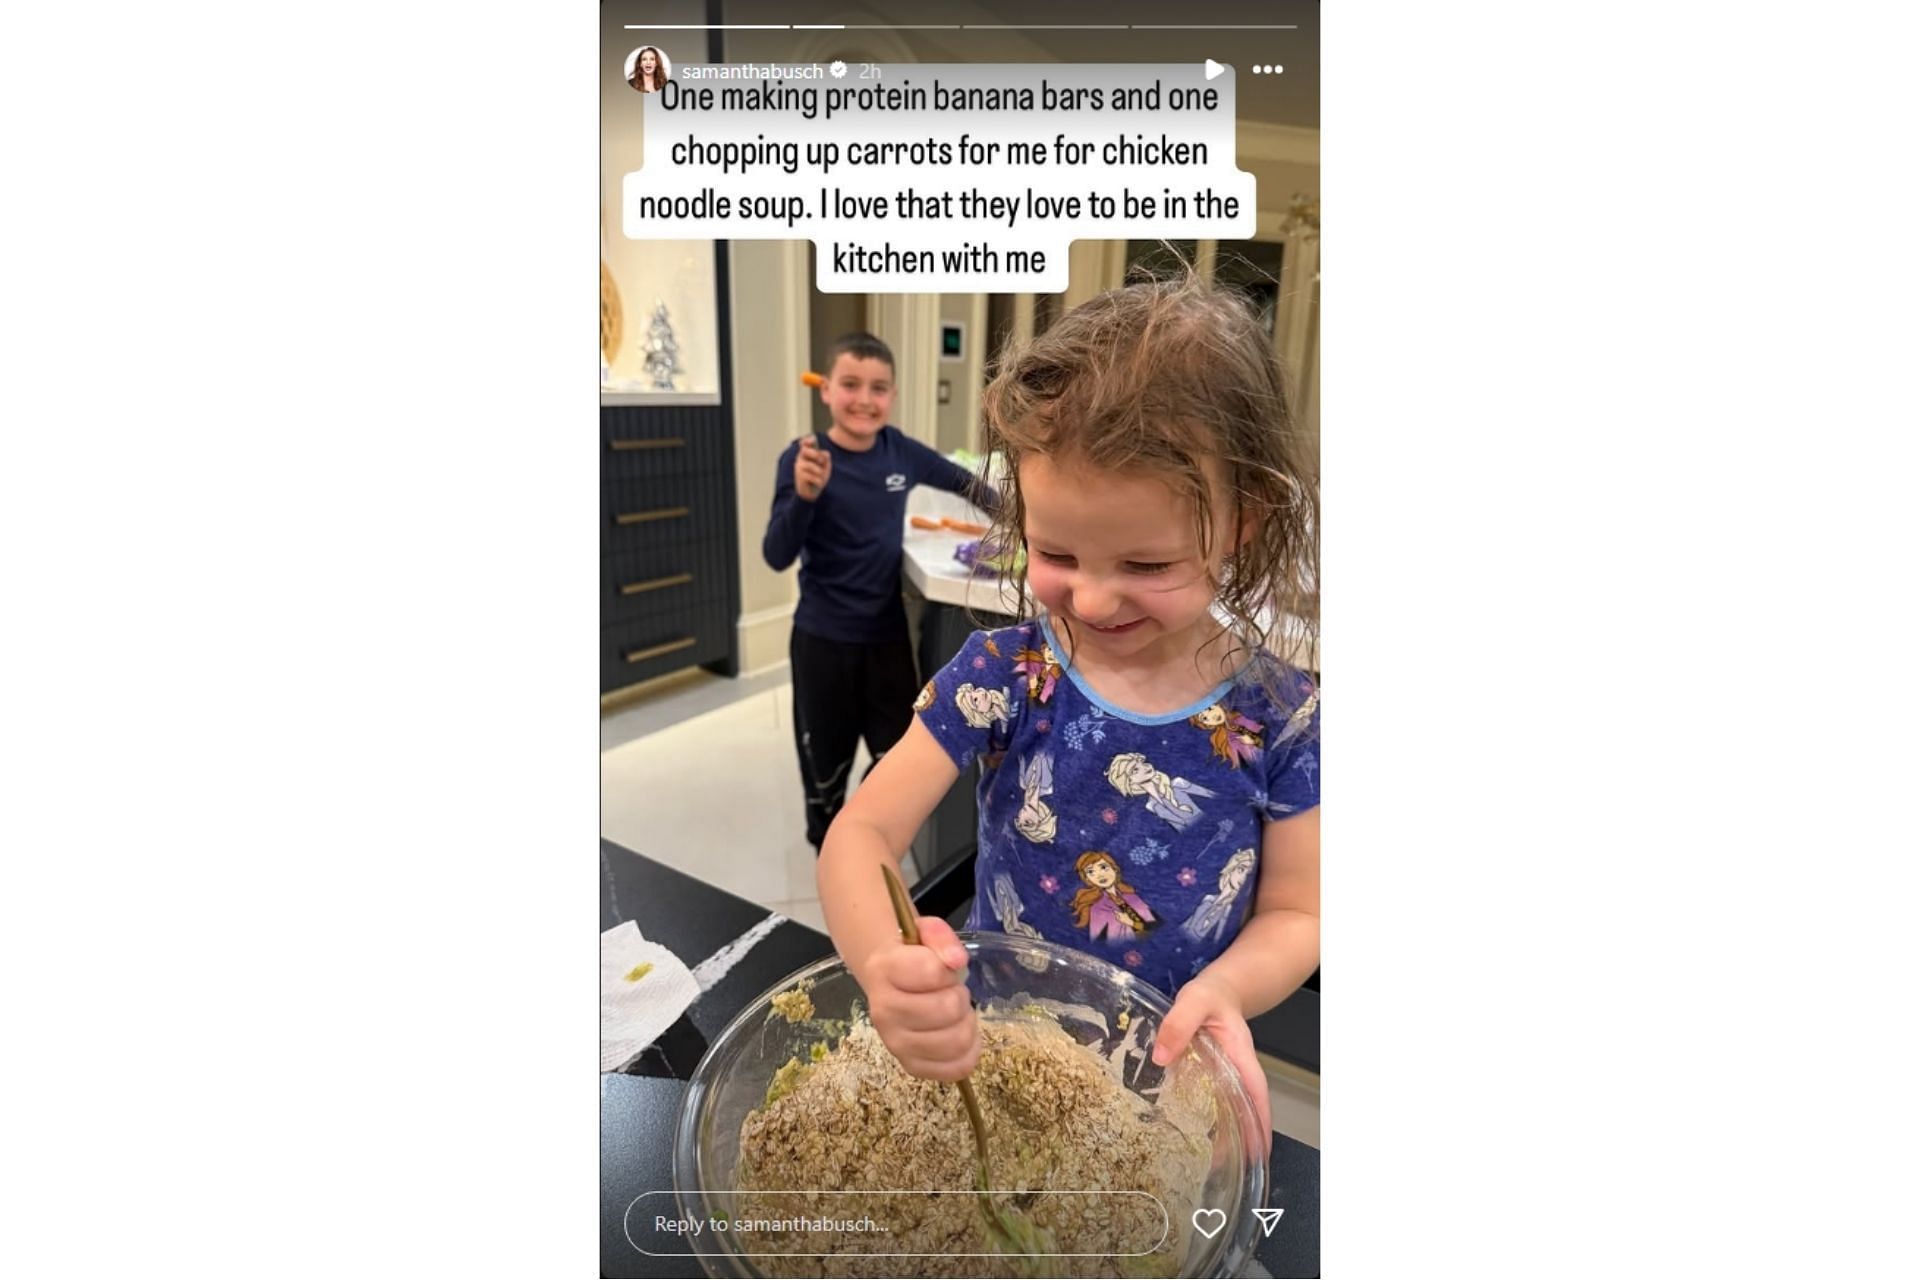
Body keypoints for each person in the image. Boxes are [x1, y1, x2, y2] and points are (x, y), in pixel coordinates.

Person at [816, 277, 1320, 1148]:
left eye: (1147, 564)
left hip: (1169, 1080)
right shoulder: (1005, 673)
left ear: (1246, 519)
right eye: (1054, 552)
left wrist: (1227, 992)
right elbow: (858, 838)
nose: (1089, 599)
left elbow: (1301, 914)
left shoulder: (1284, 717)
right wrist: (884, 965)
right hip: (992, 1055)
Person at [763, 331, 999, 851]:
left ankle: (872, 847)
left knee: (900, 762)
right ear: (825, 389)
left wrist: (1030, 521)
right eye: (850, 384)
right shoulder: (803, 458)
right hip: (822, 644)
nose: (864, 400)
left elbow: (970, 484)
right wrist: (804, 497)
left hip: (887, 642)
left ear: (891, 395)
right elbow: (776, 554)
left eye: (878, 388)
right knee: (824, 769)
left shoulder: (900, 452)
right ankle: (830, 851)